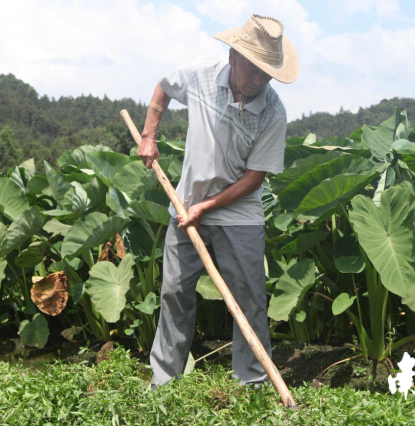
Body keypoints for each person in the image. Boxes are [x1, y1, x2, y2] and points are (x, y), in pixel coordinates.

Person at [137, 14, 299, 390]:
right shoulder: (200, 76)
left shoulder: (273, 113)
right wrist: (149, 134)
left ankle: (252, 382)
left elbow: (254, 178)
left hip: (238, 214)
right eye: (253, 69)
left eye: (267, 73)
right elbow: (163, 87)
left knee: (249, 299)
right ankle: (164, 381)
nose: (259, 79)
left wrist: (208, 207)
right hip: (186, 205)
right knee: (175, 292)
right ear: (232, 58)